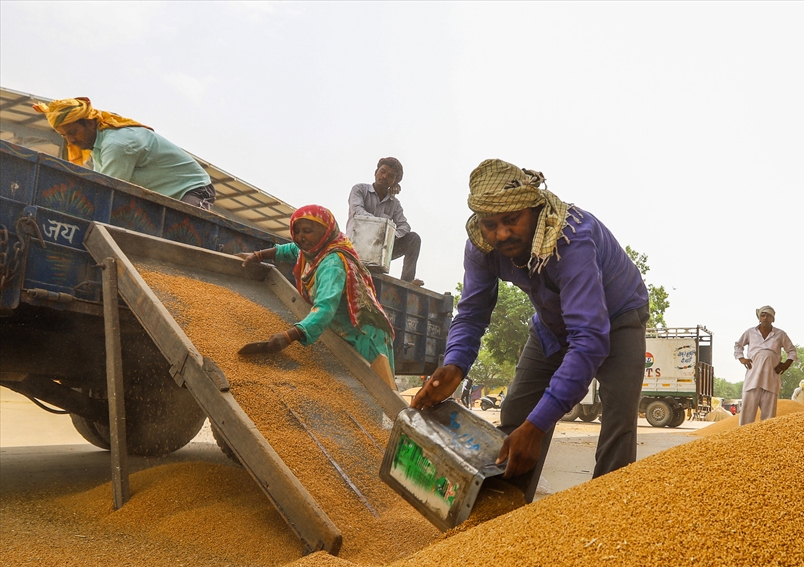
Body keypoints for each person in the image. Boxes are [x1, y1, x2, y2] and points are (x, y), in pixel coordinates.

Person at [411, 159, 649, 502]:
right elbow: (473, 311)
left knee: (618, 422)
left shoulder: (571, 239)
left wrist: (538, 426)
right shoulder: (482, 246)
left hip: (617, 320)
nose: (502, 234)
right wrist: (455, 365)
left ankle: (607, 514)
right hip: (551, 327)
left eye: (511, 220)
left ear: (534, 209)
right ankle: (503, 509)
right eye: (490, 224)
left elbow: (589, 340)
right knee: (516, 416)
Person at [236, 206, 396, 388]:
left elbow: (325, 308)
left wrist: (289, 337)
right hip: (342, 330)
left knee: (373, 393)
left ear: (325, 232)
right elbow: (290, 250)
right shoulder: (312, 251)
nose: (300, 237)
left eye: (307, 231)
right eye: (297, 231)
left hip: (365, 335)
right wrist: (257, 255)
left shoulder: (332, 264)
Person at [32, 97, 215, 209]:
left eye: (72, 132)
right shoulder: (98, 144)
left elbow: (106, 191)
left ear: (89, 122)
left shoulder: (118, 144)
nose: (70, 141)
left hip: (193, 189)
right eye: (64, 136)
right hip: (161, 197)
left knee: (182, 233)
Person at [346, 157, 422, 285]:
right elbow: (357, 211)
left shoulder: (394, 203)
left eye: (391, 176)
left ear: (394, 182)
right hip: (357, 247)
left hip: (380, 250)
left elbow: (404, 225)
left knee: (414, 238)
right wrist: (383, 226)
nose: (385, 176)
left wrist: (392, 236)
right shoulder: (359, 189)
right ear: (376, 172)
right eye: (382, 171)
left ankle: (407, 282)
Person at [734, 306, 797, 426]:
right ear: (759, 317)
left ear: (773, 319)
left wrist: (786, 364)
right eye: (762, 315)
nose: (765, 318)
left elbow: (792, 351)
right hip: (753, 379)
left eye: (768, 316)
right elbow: (738, 345)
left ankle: (766, 442)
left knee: (768, 419)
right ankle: (743, 440)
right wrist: (742, 358)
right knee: (747, 416)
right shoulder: (750, 332)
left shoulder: (780, 334)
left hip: (771, 379)